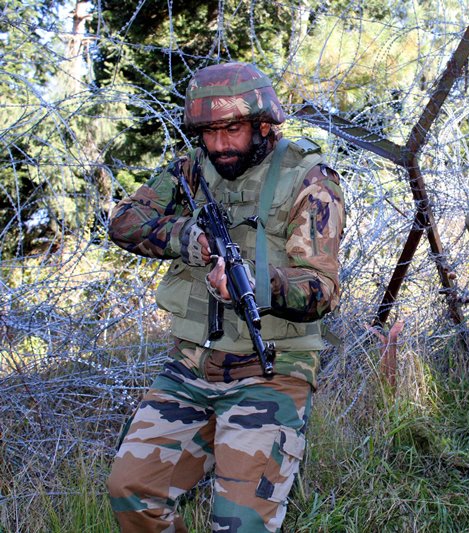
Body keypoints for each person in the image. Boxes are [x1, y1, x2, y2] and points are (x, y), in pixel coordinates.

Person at [105, 62, 345, 532]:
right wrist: (189, 239)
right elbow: (125, 222)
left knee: (240, 525)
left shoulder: (309, 180)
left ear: (262, 123)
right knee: (131, 491)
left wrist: (257, 285)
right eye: (208, 132)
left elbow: (322, 291)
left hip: (271, 370)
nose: (219, 145)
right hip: (191, 365)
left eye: (232, 129)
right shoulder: (194, 168)